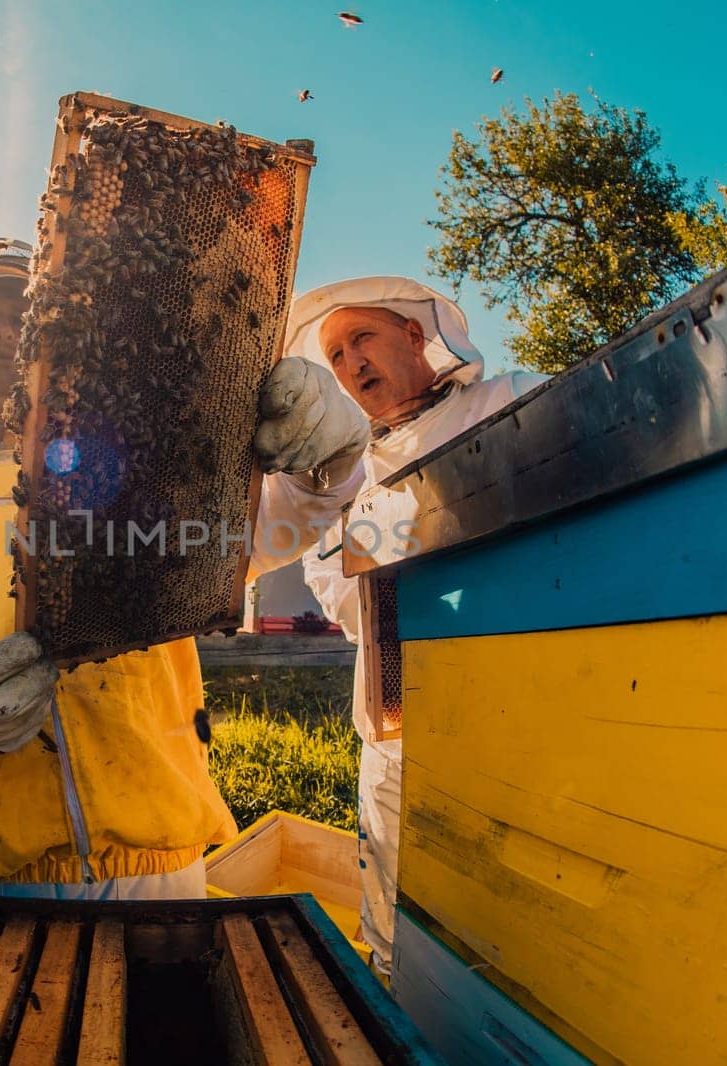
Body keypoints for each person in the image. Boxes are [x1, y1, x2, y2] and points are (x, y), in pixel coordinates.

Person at [0, 238, 367, 899]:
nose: (2, 331)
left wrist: (326, 461)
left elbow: (255, 533)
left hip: (157, 864)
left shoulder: (127, 471)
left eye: (21, 315)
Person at [283, 276, 549, 976]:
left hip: (519, 719)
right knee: (394, 921)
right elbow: (327, 575)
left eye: (361, 339)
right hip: (397, 727)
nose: (351, 365)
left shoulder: (510, 401)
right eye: (336, 355)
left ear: (412, 333)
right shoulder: (344, 471)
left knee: (509, 925)